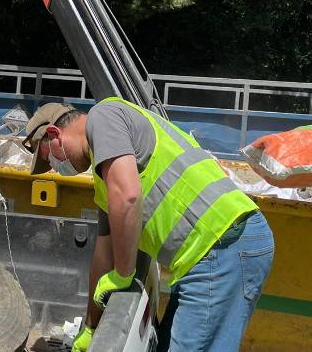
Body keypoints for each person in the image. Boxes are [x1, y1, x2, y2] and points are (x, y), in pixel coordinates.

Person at [23, 99, 274, 351]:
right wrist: (90, 326)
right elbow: (104, 253)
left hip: (223, 244)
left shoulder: (103, 116)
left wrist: (123, 273)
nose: (56, 169)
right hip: (209, 254)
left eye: (51, 159)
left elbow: (129, 197)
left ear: (55, 134)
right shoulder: (106, 178)